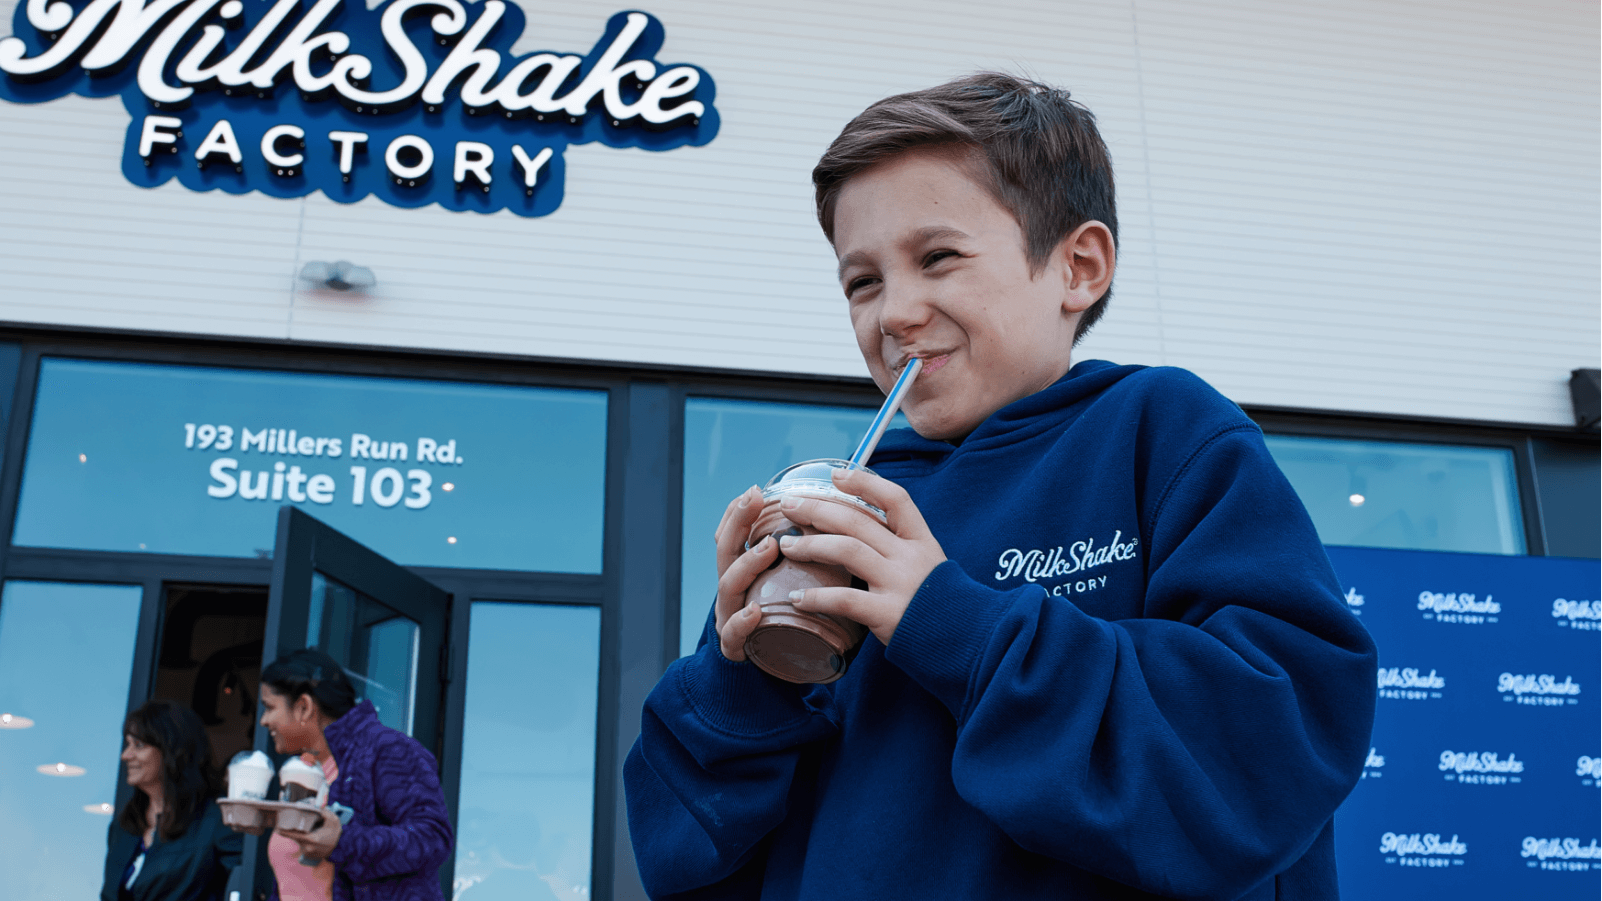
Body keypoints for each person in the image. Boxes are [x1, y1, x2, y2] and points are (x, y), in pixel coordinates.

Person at [625, 72, 1378, 900]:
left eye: (938, 257)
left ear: (1077, 267)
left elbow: (1268, 750)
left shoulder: (1160, 432)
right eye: (862, 281)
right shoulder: (836, 518)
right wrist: (743, 685)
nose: (893, 313)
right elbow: (683, 860)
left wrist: (955, 625)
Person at [257, 649, 452, 901]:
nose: (263, 720)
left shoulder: (388, 749)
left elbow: (433, 838)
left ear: (304, 707)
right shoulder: (302, 770)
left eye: (269, 707)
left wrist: (342, 842)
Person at [102, 699, 242, 901]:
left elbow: (243, 889)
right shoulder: (123, 827)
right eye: (128, 744)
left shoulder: (217, 820)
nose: (126, 755)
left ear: (171, 750)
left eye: (139, 745)